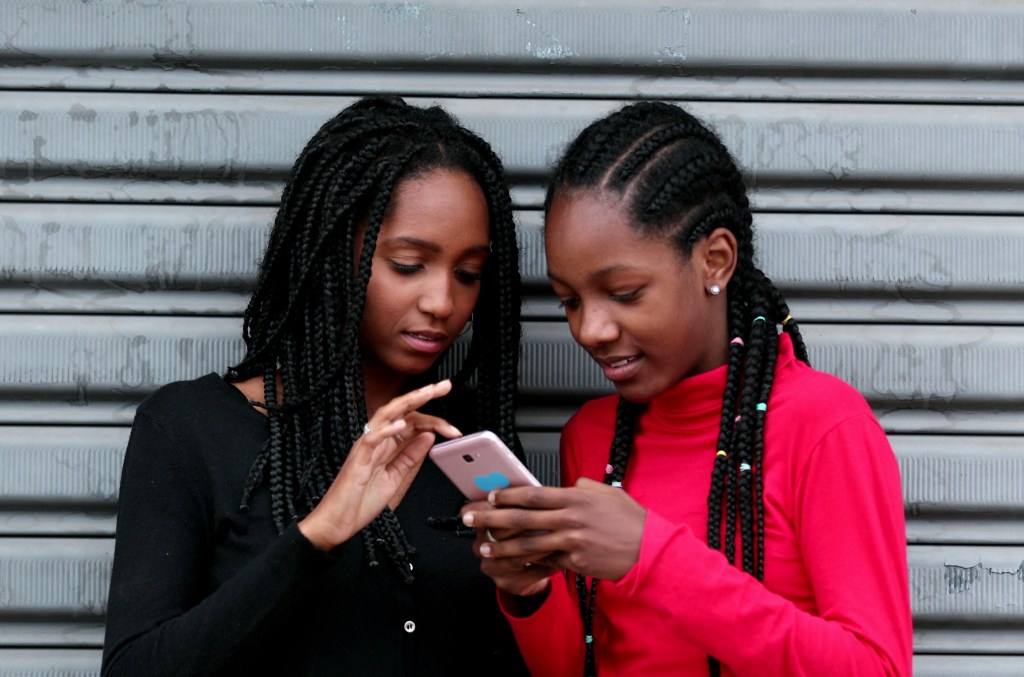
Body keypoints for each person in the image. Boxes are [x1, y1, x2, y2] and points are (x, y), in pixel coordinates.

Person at [461, 101, 912, 676]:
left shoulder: (824, 427)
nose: (590, 330)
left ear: (714, 261)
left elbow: (876, 668)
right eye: (570, 300)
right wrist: (532, 593)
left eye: (623, 292)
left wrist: (651, 556)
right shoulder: (593, 438)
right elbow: (580, 666)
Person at [102, 96, 528, 676]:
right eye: (407, 264)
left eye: (469, 273)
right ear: (332, 253)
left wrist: (529, 594)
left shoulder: (469, 441)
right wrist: (316, 537)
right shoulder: (190, 430)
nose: (443, 302)